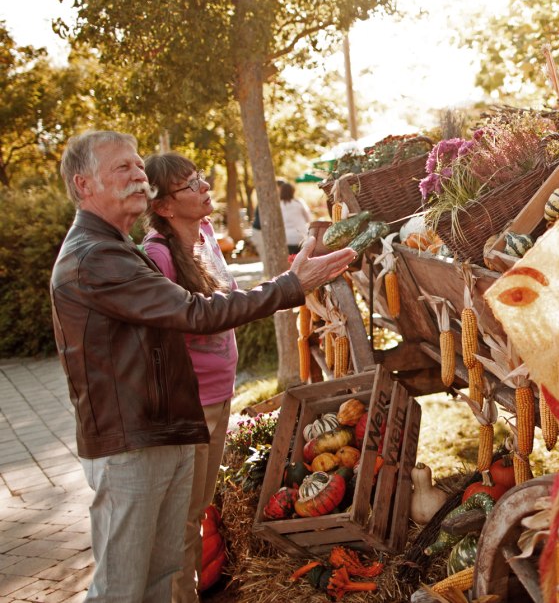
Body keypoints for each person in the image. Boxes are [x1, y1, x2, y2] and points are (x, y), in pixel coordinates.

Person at [50, 130, 355, 602]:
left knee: (159, 577)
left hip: (163, 430)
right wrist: (290, 286)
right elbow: (196, 312)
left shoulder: (116, 248)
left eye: (137, 165)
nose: (137, 175)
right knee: (122, 588)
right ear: (83, 185)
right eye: (121, 168)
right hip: (133, 442)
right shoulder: (96, 258)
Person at [141, 153, 237, 602]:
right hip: (192, 402)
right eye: (190, 185)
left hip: (221, 393)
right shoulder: (156, 256)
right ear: (163, 206)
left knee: (199, 511)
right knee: (184, 517)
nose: (203, 187)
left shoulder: (204, 236)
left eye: (201, 178)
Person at [250, 180, 313, 256]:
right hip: (301, 237)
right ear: (293, 191)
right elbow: (309, 219)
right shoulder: (299, 203)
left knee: (290, 259)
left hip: (286, 239)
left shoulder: (278, 206)